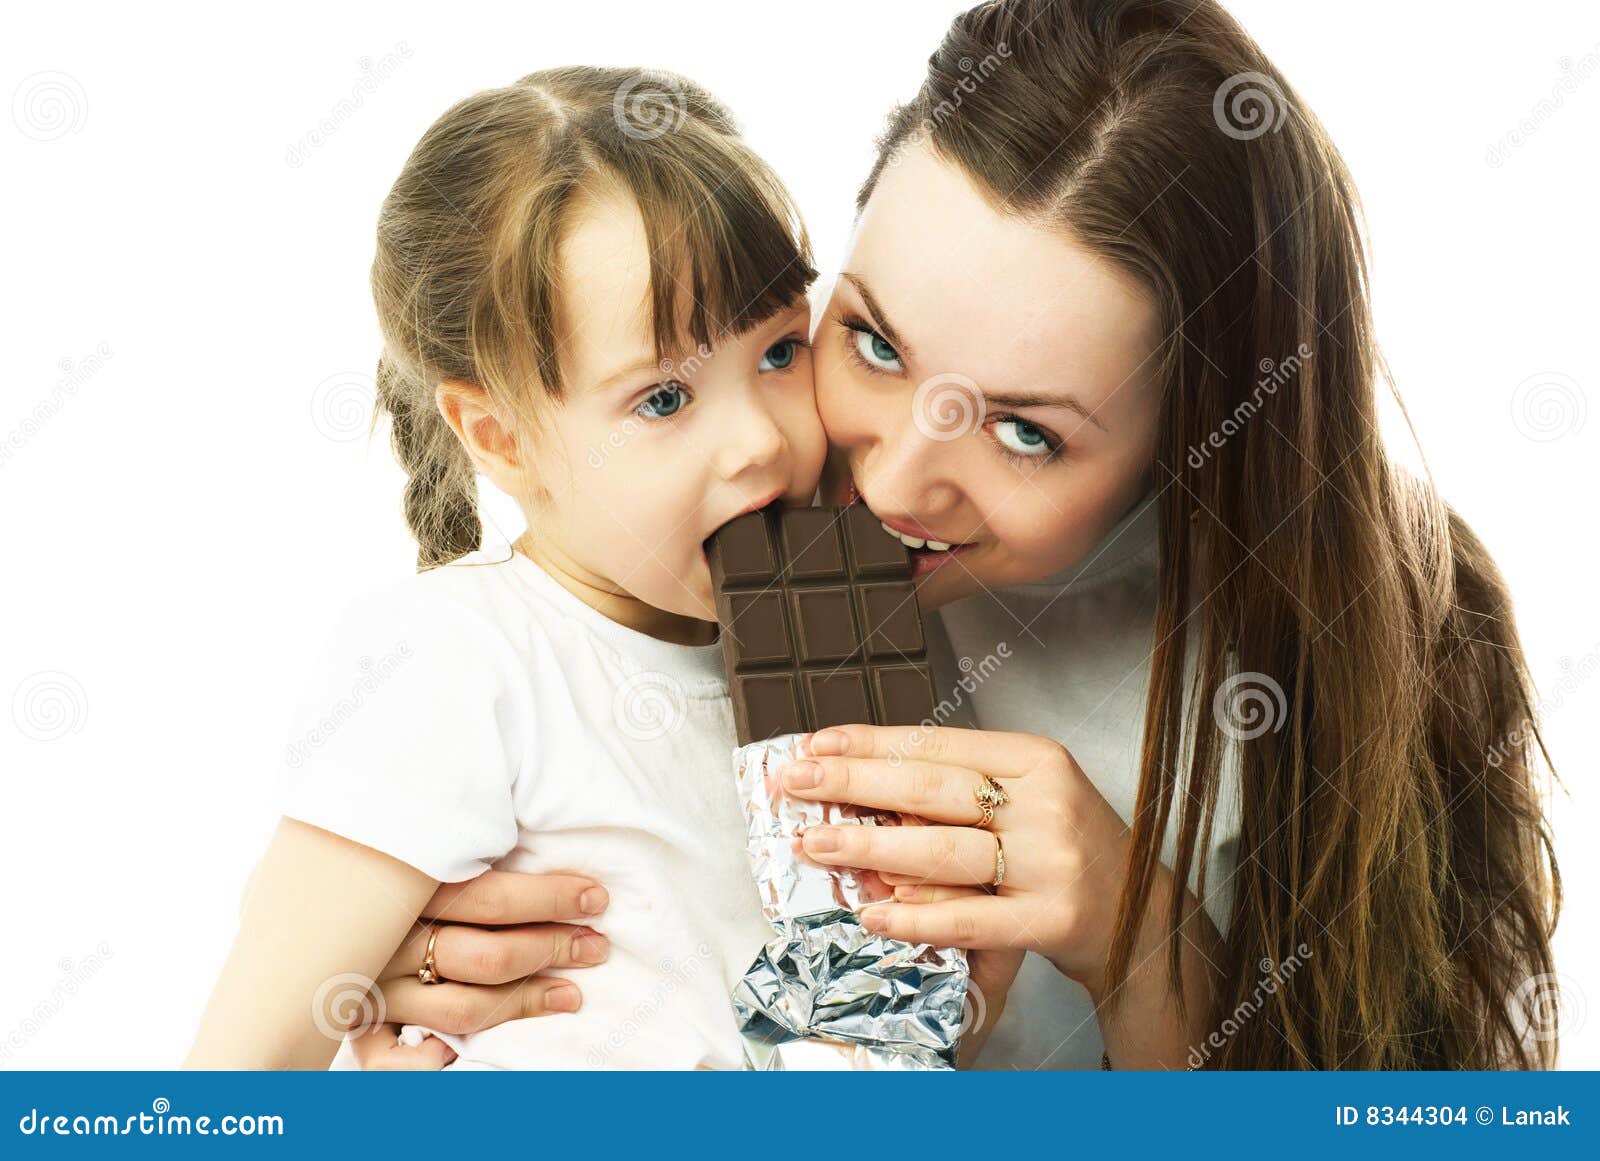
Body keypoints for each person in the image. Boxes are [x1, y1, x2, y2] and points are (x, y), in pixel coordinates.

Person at [362, 0, 1562, 1070]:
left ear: (1193, 439)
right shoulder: (700, 534)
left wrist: (1133, 932)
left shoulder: (1363, 648)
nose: (892, 479)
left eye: (1027, 433)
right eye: (874, 344)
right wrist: (409, 958)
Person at [188, 65, 834, 1068]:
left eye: (781, 351)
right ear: (501, 438)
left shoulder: (853, 632)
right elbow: (230, 1082)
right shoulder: (453, 660)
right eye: (662, 399)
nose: (760, 439)